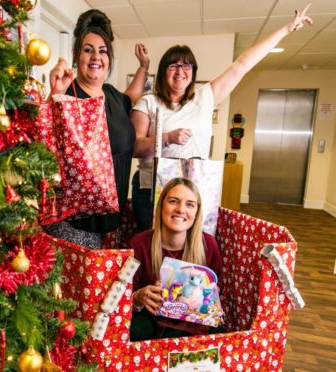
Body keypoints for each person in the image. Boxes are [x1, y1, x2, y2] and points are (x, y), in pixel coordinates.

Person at [131, 3, 314, 232]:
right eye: (173, 65)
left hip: (191, 189)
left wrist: (286, 29)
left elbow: (243, 64)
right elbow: (135, 147)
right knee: (150, 246)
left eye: (186, 65)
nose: (180, 71)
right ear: (163, 71)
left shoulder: (205, 97)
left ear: (193, 72)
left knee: (191, 249)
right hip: (150, 190)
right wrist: (167, 137)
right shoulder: (148, 102)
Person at [44, 9, 150, 249]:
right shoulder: (67, 96)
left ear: (109, 58)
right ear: (77, 55)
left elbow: (131, 95)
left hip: (109, 221)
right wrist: (55, 95)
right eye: (88, 49)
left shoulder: (112, 95)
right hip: (76, 224)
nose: (96, 57)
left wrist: (143, 67)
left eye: (102, 51)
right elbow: (45, 140)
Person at [129, 178, 222, 340]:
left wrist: (210, 297)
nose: (181, 209)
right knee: (138, 328)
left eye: (190, 204)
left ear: (196, 213)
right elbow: (125, 300)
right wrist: (138, 297)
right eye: (173, 201)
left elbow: (218, 293)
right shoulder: (139, 243)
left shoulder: (208, 245)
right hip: (150, 323)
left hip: (192, 327)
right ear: (161, 206)